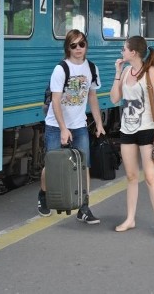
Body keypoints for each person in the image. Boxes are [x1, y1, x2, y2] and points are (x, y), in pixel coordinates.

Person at [37, 29, 106, 223]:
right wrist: (63, 128)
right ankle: (43, 195)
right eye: (73, 45)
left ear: (86, 46)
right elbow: (56, 101)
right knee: (52, 166)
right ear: (67, 47)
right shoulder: (61, 69)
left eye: (81, 44)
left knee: (84, 166)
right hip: (55, 125)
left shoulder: (92, 68)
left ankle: (83, 207)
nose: (78, 49)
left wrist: (99, 123)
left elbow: (92, 97)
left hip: (80, 126)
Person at [109, 36, 154, 238]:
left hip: (148, 129)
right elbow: (115, 98)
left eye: (124, 49)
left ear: (133, 52)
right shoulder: (125, 71)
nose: (122, 52)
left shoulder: (150, 72)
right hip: (127, 130)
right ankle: (130, 219)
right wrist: (117, 73)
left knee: (151, 177)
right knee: (132, 177)